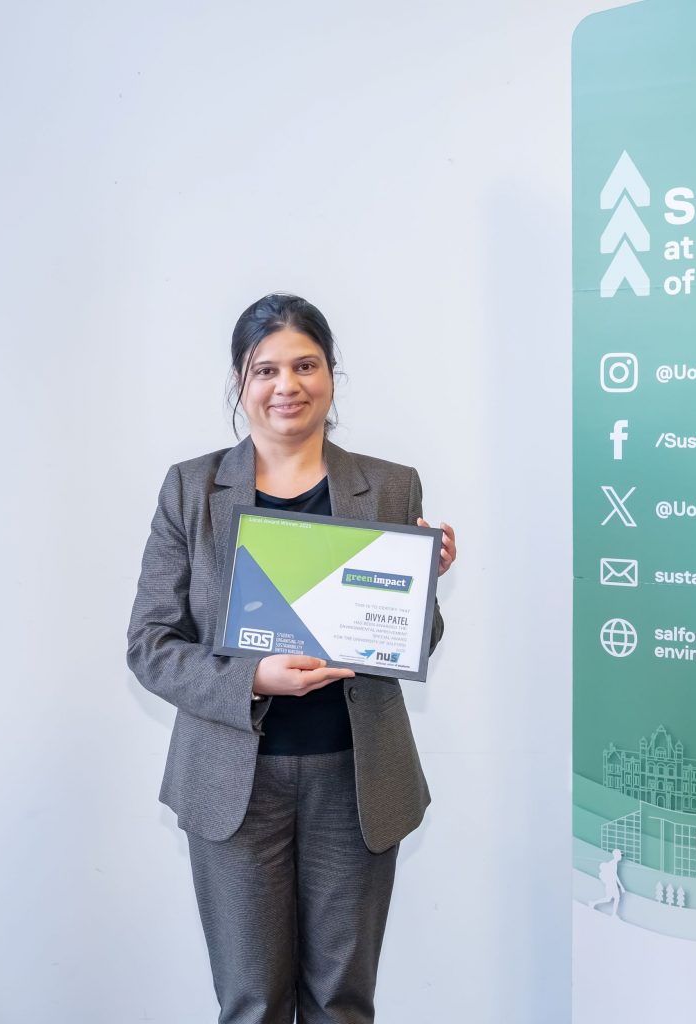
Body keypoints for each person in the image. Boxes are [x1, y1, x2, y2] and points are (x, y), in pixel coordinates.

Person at [127, 292, 456, 1023]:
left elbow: (412, 642)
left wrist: (421, 586)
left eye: (305, 364)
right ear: (240, 386)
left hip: (357, 778)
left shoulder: (390, 486)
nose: (287, 386)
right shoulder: (192, 488)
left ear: (331, 375)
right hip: (234, 786)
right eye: (265, 370)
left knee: (343, 1002)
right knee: (253, 1003)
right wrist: (252, 679)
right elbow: (150, 645)